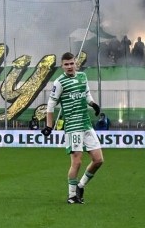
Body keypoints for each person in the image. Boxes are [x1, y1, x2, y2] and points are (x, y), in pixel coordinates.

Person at [42, 52, 104, 204]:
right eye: (66, 64)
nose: (69, 66)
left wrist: (93, 104)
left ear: (76, 63)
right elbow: (50, 105)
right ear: (62, 66)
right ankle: (71, 196)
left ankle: (80, 186)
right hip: (72, 125)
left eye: (71, 63)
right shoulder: (59, 82)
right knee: (77, 162)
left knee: (98, 160)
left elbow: (87, 94)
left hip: (86, 123)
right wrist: (49, 126)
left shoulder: (82, 77)